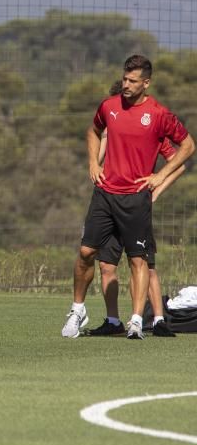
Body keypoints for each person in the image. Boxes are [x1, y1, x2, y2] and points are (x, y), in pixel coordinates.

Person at [62, 55, 194, 340]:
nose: (126, 84)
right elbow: (92, 131)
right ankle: (78, 310)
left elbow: (187, 146)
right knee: (87, 253)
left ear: (146, 83)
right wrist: (93, 164)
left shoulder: (158, 114)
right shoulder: (109, 107)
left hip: (135, 200)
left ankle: (138, 320)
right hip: (104, 195)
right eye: (124, 79)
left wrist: (160, 178)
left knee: (139, 260)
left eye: (133, 81)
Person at [86, 79, 185, 338]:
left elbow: (179, 162)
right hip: (109, 200)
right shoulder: (111, 124)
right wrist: (101, 150)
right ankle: (113, 320)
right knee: (106, 264)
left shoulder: (151, 124)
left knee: (143, 263)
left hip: (134, 203)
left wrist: (157, 188)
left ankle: (158, 318)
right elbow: (97, 159)